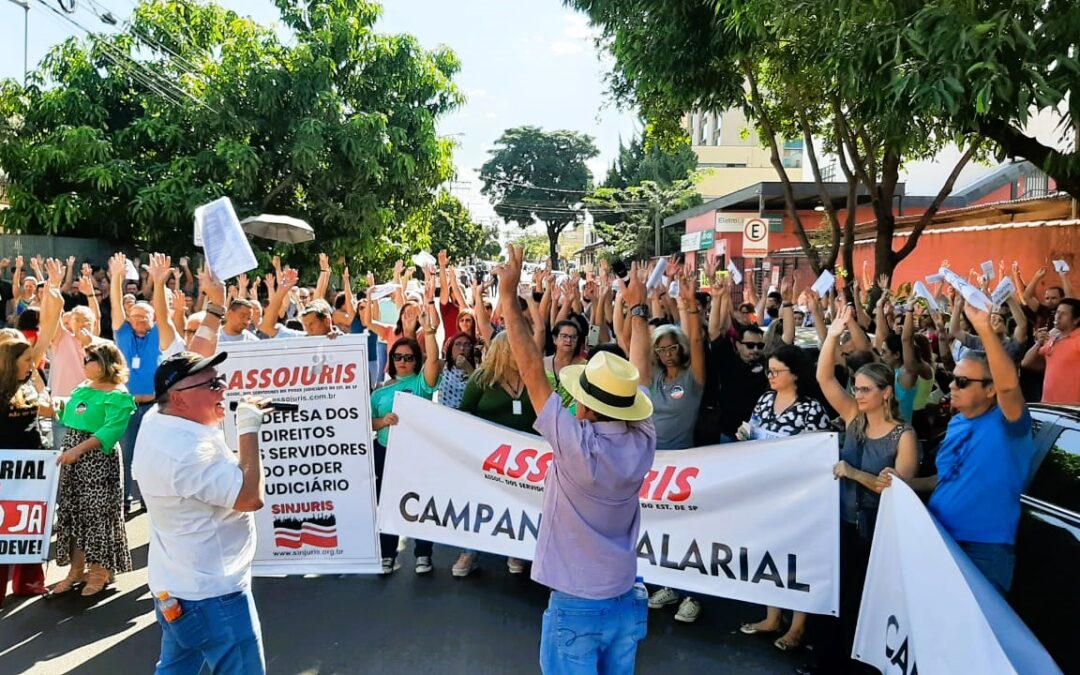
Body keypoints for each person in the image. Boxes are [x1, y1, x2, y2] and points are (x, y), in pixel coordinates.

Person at [496, 245, 656, 675]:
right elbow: (638, 369)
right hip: (626, 597)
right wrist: (638, 309)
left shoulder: (576, 446)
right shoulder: (642, 439)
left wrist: (507, 296)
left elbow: (531, 368)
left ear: (583, 403)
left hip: (577, 603)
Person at [131, 351, 272, 674]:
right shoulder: (186, 453)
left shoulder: (160, 417)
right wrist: (248, 428)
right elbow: (249, 497)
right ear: (179, 399)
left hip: (176, 587)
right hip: (214, 596)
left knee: (175, 668)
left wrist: (214, 308)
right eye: (212, 384)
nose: (223, 389)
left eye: (220, 379)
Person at [899, 301, 1035, 597]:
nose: (951, 387)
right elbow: (946, 478)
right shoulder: (958, 422)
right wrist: (903, 485)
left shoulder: (1008, 423)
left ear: (990, 389)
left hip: (983, 550)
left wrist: (984, 328)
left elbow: (1009, 388)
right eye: (953, 380)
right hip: (939, 536)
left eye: (962, 382)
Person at [811, 305, 918, 674]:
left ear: (886, 393)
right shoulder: (854, 420)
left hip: (877, 535)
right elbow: (825, 378)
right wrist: (833, 333)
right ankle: (826, 663)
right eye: (855, 388)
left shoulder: (904, 437)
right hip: (841, 523)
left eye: (865, 390)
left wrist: (854, 473)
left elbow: (897, 492)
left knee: (861, 601)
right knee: (832, 598)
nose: (857, 395)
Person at [736, 344, 832, 651]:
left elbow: (818, 455)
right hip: (763, 493)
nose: (771, 376)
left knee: (796, 559)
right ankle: (772, 616)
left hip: (796, 498)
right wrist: (745, 435)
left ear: (795, 374)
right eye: (769, 371)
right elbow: (755, 432)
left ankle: (798, 625)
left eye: (777, 371)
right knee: (769, 553)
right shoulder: (765, 400)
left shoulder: (811, 409)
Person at [46, 342, 136, 598]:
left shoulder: (117, 394)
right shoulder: (84, 388)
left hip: (97, 459)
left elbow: (111, 430)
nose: (84, 364)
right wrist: (56, 405)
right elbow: (71, 415)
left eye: (89, 360)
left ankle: (99, 571)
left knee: (97, 514)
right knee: (74, 512)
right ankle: (75, 571)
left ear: (105, 363)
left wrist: (78, 450)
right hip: (73, 455)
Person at [453, 332, 537, 578]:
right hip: (488, 457)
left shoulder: (533, 378)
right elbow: (464, 414)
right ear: (502, 352)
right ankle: (469, 551)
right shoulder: (481, 380)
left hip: (525, 459)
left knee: (520, 503)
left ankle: (516, 550)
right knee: (479, 504)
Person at [369, 298, 441, 575]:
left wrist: (429, 330)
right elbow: (371, 423)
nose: (402, 362)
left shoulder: (421, 384)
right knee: (387, 502)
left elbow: (433, 359)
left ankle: (423, 554)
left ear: (415, 361)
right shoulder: (380, 391)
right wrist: (381, 420)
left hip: (417, 453)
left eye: (408, 358)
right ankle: (388, 554)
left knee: (420, 501)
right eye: (398, 357)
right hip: (385, 451)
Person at [0, 326, 59, 606]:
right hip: (5, 473)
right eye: (26, 360)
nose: (32, 365)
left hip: (33, 470)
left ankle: (28, 583)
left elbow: (45, 412)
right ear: (11, 363)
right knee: (3, 531)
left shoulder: (27, 385)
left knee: (28, 529)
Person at [109, 253, 163, 515]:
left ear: (153, 321)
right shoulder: (123, 335)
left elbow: (162, 311)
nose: (140, 320)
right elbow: (116, 307)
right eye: (136, 316)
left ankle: (148, 500)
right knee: (125, 455)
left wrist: (159, 282)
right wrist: (117, 277)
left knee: (153, 455)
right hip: (127, 405)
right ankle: (124, 499)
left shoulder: (157, 335)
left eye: (145, 317)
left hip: (155, 405)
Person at [1022, 298, 1080, 404]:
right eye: (1057, 312)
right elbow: (1026, 363)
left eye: (1064, 314)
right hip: (1047, 405)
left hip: (1072, 409)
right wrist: (1038, 343)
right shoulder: (1052, 339)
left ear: (1076, 320)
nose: (1058, 316)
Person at [437, 331, 477, 410]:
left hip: (466, 417)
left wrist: (468, 368)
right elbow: (425, 358)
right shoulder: (442, 365)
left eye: (466, 345)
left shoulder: (476, 370)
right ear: (451, 349)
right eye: (458, 344)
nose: (462, 348)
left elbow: (478, 390)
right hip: (444, 414)